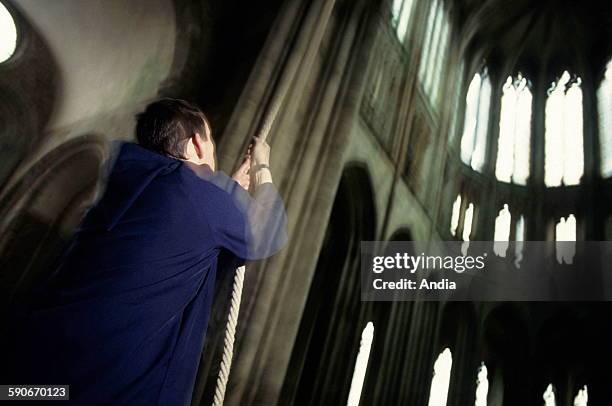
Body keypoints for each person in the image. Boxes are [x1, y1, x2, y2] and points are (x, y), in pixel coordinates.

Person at [1, 98, 288, 405]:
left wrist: (227, 194)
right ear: (196, 143)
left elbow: (170, 253)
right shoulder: (196, 192)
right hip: (106, 388)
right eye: (212, 146)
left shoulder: (127, 190)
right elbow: (268, 232)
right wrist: (261, 165)